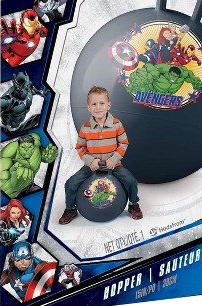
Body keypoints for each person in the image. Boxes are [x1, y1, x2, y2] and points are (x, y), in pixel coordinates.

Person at [58, 86, 143, 224]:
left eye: (101, 103)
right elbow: (80, 147)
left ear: (108, 105)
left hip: (114, 165)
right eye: (94, 104)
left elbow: (124, 143)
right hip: (91, 167)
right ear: (88, 108)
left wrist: (114, 159)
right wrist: (90, 161)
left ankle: (133, 204)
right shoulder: (85, 127)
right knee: (70, 183)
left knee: (131, 181)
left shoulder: (116, 124)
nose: (98, 107)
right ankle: (70, 209)